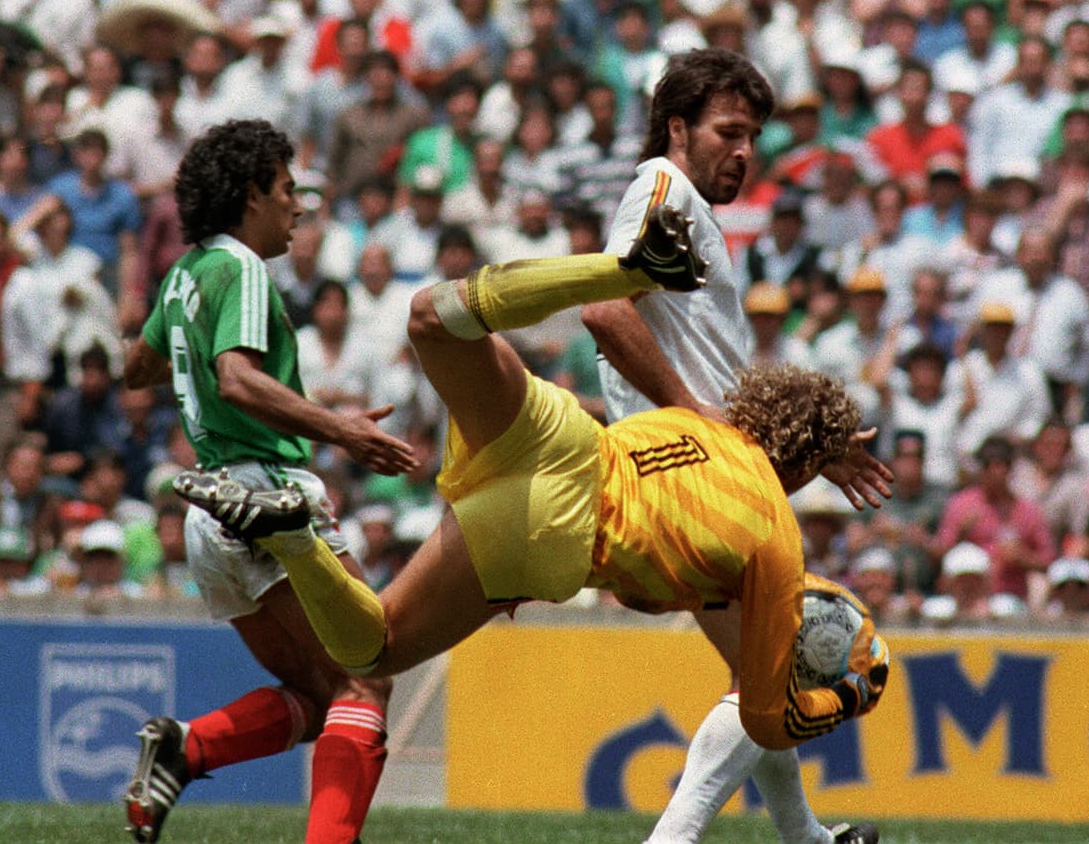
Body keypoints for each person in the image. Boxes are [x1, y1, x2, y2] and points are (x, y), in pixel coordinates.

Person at [173, 215, 889, 766]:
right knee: (370, 653)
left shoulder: (704, 422)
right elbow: (765, 718)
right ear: (802, 470)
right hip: (556, 527)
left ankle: (625, 267)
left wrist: (814, 449)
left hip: (566, 434)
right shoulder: (775, 540)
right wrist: (842, 697)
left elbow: (752, 456)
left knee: (433, 316)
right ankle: (297, 539)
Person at [578, 48, 889, 844]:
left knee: (765, 674)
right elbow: (605, 313)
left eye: (752, 136)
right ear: (677, 128)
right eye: (728, 132)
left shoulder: (691, 208)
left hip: (690, 471)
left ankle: (804, 838)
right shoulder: (662, 190)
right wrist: (699, 422)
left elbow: (704, 368)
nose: (744, 152)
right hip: (684, 476)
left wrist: (811, 447)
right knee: (787, 669)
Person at [121, 119, 418, 844]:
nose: (299, 206)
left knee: (318, 698)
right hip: (266, 499)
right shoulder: (244, 269)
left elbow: (138, 369)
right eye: (288, 190)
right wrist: (341, 429)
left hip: (210, 512)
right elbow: (239, 379)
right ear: (252, 195)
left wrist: (305, 405)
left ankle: (188, 748)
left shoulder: (186, 275)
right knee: (366, 676)